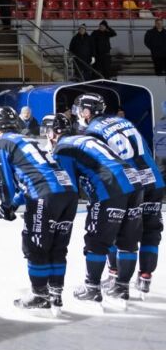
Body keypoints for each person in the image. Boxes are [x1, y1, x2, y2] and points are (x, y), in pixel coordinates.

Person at [0, 106, 78, 313]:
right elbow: (33, 178)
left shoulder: (1, 145)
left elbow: (6, 185)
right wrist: (14, 203)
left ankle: (40, 295)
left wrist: (6, 207)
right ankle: (56, 294)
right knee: (57, 247)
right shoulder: (27, 140)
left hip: (44, 195)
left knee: (35, 246)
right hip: (68, 192)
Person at [75, 93, 164, 297]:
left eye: (80, 109)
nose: (78, 114)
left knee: (118, 230)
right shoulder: (123, 121)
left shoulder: (93, 130)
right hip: (153, 179)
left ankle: (115, 276)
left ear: (87, 112)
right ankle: (145, 277)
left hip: (129, 183)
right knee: (150, 231)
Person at [49, 114, 143, 304]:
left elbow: (70, 187)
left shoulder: (62, 148)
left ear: (52, 133)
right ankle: (122, 287)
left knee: (97, 240)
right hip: (134, 181)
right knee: (128, 240)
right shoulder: (85, 138)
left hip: (110, 187)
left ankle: (92, 287)